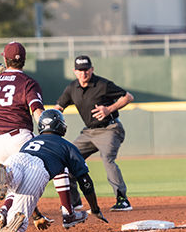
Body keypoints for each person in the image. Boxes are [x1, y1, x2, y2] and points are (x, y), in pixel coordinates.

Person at [0, 41, 69, 231]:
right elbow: (37, 111)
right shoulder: (28, 83)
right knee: (57, 165)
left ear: (5, 58)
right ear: (24, 60)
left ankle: (9, 211)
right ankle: (68, 212)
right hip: (20, 139)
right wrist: (48, 135)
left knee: (17, 183)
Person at [0, 109, 108, 232]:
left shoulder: (30, 142)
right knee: (20, 223)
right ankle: (12, 219)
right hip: (38, 169)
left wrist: (36, 215)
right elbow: (85, 181)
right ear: (60, 126)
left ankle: (5, 175)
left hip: (18, 158)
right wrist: (95, 208)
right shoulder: (67, 146)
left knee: (13, 183)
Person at [55, 54, 135, 212]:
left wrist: (109, 109)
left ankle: (122, 200)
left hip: (110, 129)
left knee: (108, 159)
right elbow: (59, 107)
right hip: (88, 133)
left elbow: (128, 97)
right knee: (67, 159)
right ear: (75, 71)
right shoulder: (72, 88)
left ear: (92, 69)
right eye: (80, 70)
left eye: (86, 70)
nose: (83, 73)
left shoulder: (102, 85)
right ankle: (74, 202)